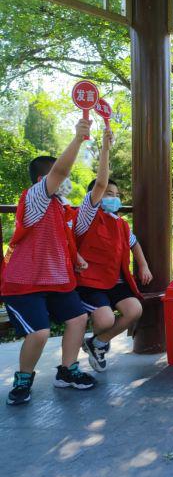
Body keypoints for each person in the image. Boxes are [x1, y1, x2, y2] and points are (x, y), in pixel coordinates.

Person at [1, 119, 97, 406]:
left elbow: (63, 239)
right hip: (23, 283)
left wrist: (76, 258)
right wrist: (78, 140)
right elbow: (61, 170)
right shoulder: (34, 199)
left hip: (57, 280)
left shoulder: (61, 207)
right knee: (40, 332)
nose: (65, 181)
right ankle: (23, 379)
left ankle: (67, 371)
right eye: (58, 176)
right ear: (44, 180)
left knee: (79, 318)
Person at [75, 131, 152, 372]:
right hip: (91, 282)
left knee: (135, 310)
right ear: (95, 197)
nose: (114, 199)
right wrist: (106, 148)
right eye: (109, 194)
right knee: (105, 319)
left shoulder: (120, 223)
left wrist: (143, 265)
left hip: (115, 281)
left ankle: (97, 343)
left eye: (117, 196)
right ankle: (98, 343)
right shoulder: (87, 216)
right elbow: (99, 184)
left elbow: (133, 243)